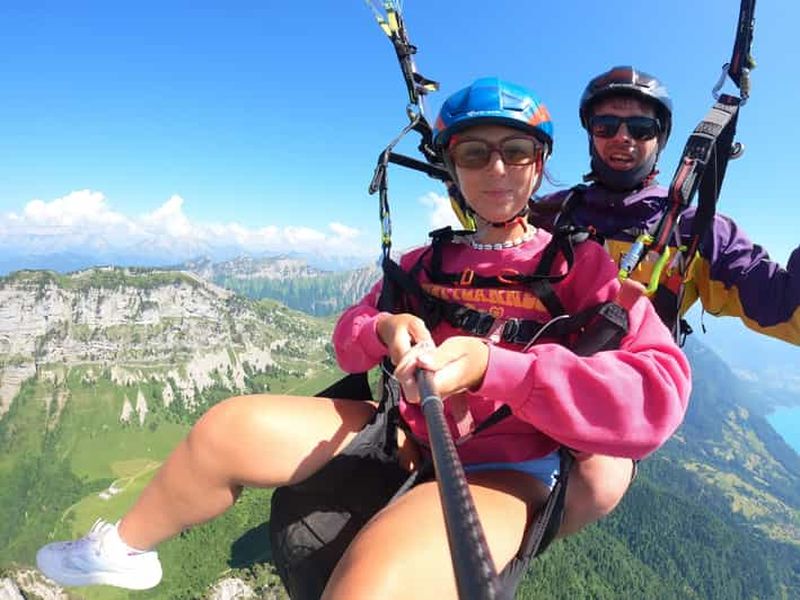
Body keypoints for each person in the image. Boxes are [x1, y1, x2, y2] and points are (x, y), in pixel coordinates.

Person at [36, 78, 691, 599]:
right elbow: (348, 341)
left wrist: (499, 368)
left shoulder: (581, 269)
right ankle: (121, 551)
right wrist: (383, 328)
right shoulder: (423, 263)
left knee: (369, 590)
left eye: (515, 151)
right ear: (452, 168)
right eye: (474, 152)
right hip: (403, 433)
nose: (496, 168)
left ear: (538, 164)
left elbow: (658, 392)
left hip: (505, 467)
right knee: (224, 430)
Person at [528, 64, 800, 539]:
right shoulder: (550, 213)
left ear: (660, 138)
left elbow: (782, 307)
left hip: (614, 408)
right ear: (590, 135)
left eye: (640, 127)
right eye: (606, 126)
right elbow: (491, 232)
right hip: (532, 385)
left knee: (574, 494)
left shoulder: (697, 233)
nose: (622, 138)